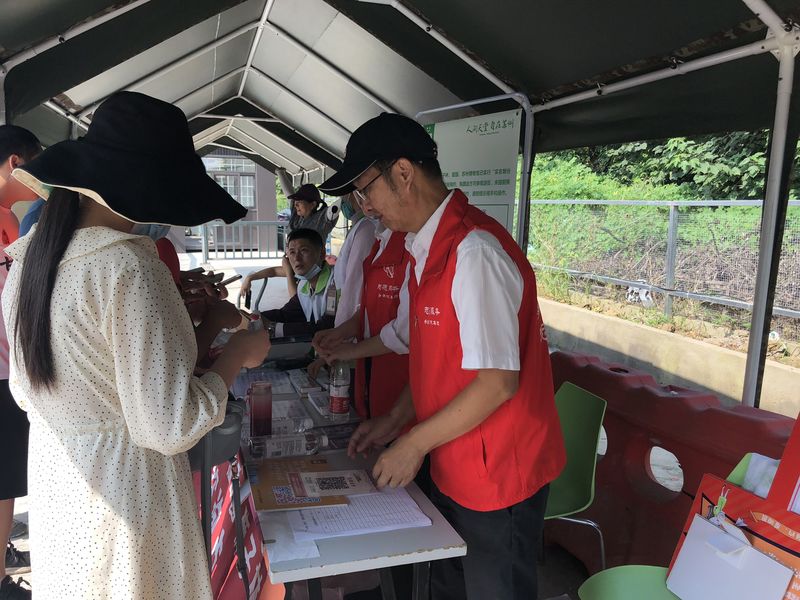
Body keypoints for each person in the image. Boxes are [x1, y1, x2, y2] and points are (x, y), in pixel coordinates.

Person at [2, 92, 269, 600]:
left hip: (63, 493)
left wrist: (209, 328)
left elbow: (53, 386)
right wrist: (238, 354)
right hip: (128, 502)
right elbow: (167, 425)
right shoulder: (128, 267)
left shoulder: (30, 261)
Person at [320, 113, 566, 600]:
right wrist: (397, 419)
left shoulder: (474, 251)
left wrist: (412, 445)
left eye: (367, 190)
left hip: (500, 472)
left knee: (494, 588)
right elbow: (434, 357)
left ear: (404, 174)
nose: (365, 207)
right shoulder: (424, 249)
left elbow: (497, 383)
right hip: (453, 459)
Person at [0, 124, 41, 600]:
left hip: (8, 368)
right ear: (16, 162)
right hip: (4, 372)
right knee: (5, 478)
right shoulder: (7, 223)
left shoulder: (10, 219)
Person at [260, 228, 336, 338]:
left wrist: (273, 328)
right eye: (292, 252)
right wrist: (254, 318)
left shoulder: (334, 283)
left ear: (322, 253)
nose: (296, 258)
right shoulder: (303, 285)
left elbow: (327, 326)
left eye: (304, 250)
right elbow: (287, 314)